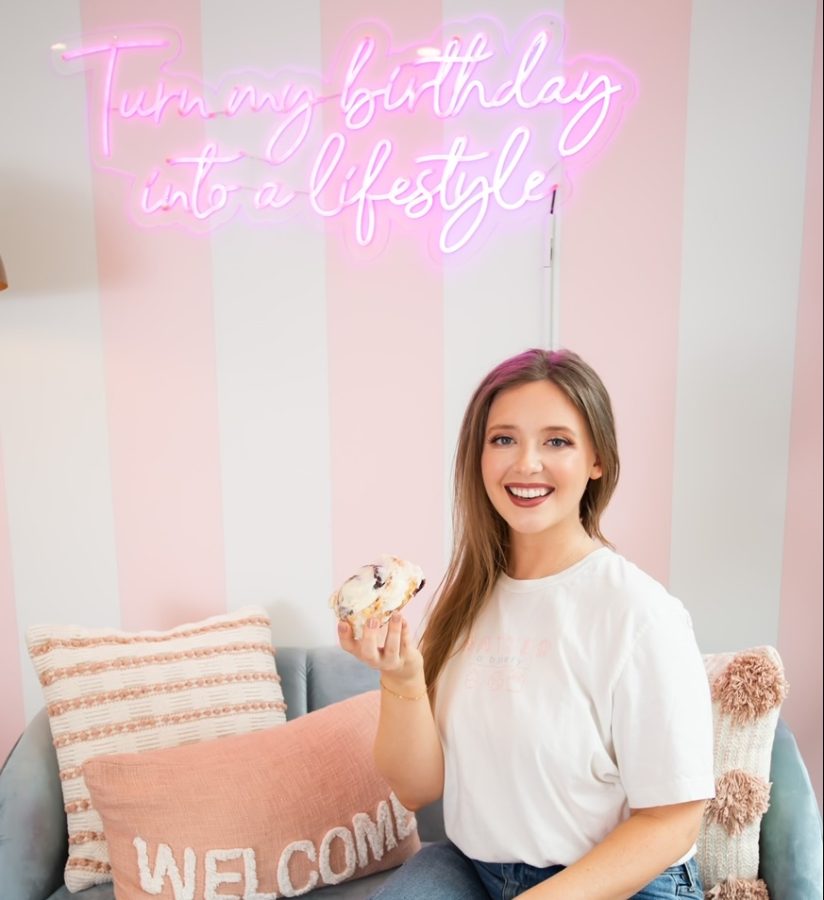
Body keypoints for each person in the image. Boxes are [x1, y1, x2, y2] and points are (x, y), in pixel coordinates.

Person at [338, 347, 715, 900]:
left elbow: (673, 822)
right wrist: (401, 679)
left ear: (597, 461)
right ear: (479, 457)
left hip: (622, 882)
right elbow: (419, 789)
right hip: (477, 870)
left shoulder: (641, 614)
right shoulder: (465, 602)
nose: (526, 463)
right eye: (503, 439)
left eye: (557, 441)